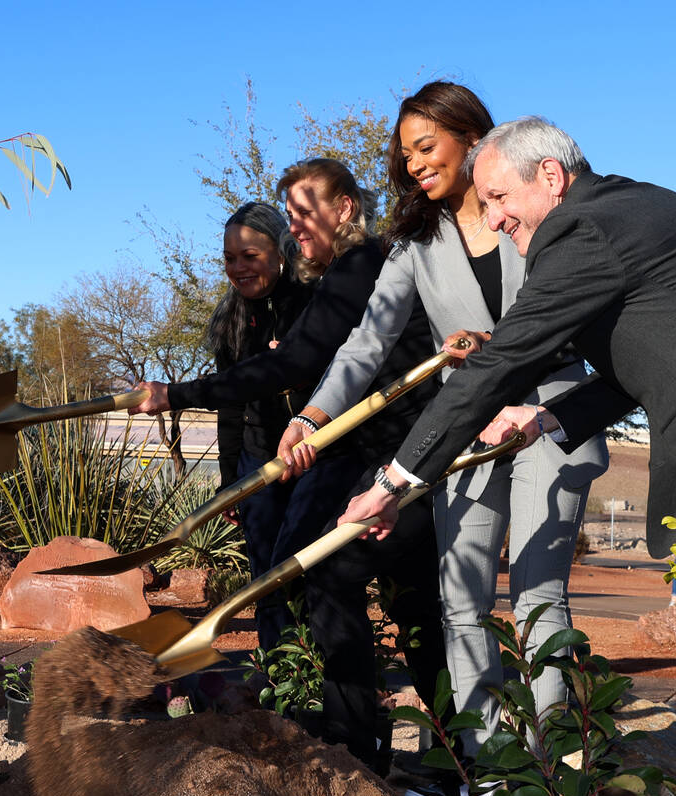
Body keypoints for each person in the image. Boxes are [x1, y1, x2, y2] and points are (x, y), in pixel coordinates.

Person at [336, 116, 676, 796]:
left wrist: (396, 479)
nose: (497, 217)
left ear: (550, 176)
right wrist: (550, 416)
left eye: (502, 198)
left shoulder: (580, 229)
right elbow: (660, 354)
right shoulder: (632, 211)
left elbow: (504, 359)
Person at [278, 82, 608, 757]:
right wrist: (312, 417)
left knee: (538, 593)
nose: (416, 164)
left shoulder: (536, 213)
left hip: (548, 415)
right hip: (466, 428)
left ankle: (546, 763)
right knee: (460, 595)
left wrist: (518, 361)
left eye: (427, 146)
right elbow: (367, 341)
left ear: (472, 137)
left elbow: (582, 316)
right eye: (406, 155)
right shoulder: (415, 243)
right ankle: (487, 763)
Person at [128, 162, 441, 669]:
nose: (295, 226)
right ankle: (298, 697)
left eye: (302, 213)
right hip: (301, 455)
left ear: (343, 209)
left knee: (336, 578)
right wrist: (233, 477)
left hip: (374, 454)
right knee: (304, 578)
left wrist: (174, 395)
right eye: (229, 257)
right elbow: (248, 392)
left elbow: (297, 362)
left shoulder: (351, 272)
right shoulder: (240, 315)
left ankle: (348, 725)